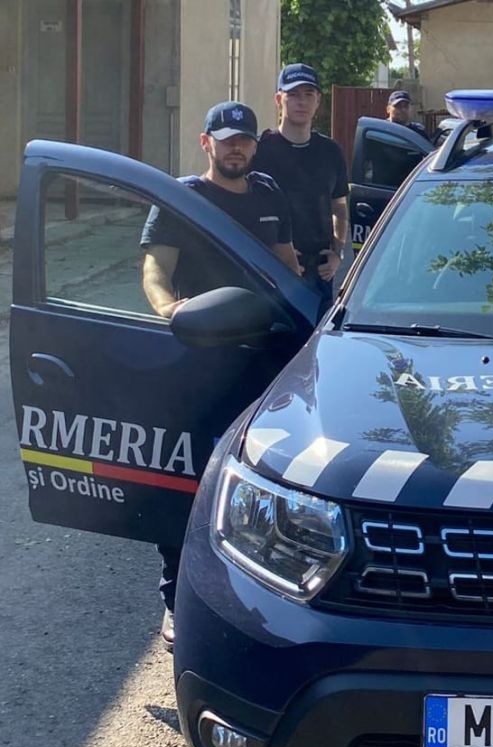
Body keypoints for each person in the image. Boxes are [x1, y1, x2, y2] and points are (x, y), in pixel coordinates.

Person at [140, 100, 302, 647]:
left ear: (255, 145)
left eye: (245, 139)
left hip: (264, 355)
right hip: (199, 357)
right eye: (227, 138)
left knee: (262, 474)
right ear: (206, 142)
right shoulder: (184, 197)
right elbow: (155, 267)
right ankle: (174, 597)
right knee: (185, 478)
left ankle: (261, 589)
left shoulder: (269, 193)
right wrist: (170, 311)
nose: (237, 147)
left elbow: (285, 260)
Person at [253, 63, 349, 309]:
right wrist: (271, 254)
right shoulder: (259, 150)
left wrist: (338, 252)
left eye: (308, 94)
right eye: (293, 94)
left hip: (320, 273)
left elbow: (339, 206)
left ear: (318, 101)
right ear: (279, 100)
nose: (301, 102)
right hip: (271, 271)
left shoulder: (331, 151)